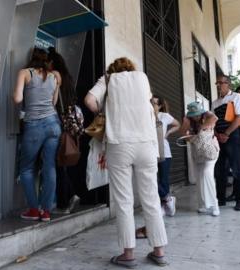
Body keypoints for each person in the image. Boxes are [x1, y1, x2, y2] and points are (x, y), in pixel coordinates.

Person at [84, 57, 168, 267]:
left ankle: (128, 254)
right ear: (131, 68)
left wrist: (103, 111)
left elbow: (89, 101)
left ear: (113, 69)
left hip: (119, 143)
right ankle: (159, 251)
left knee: (123, 200)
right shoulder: (142, 78)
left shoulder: (108, 79)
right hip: (146, 144)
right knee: (151, 198)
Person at [13, 48, 62, 222]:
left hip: (34, 125)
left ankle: (34, 210)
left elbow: (18, 99)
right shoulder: (54, 76)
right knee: (49, 167)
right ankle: (46, 211)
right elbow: (54, 102)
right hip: (53, 124)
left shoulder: (25, 73)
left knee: (26, 168)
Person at [47, 47, 82, 215]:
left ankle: (65, 199)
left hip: (58, 121)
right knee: (62, 162)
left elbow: (52, 100)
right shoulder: (68, 77)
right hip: (69, 123)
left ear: (52, 63)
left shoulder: (54, 76)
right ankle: (68, 196)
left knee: (58, 163)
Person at [179, 103, 220, 216]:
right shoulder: (189, 121)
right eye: (193, 115)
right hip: (197, 153)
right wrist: (186, 123)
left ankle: (214, 205)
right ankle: (203, 205)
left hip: (210, 152)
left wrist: (199, 131)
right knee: (199, 178)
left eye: (197, 114)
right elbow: (182, 135)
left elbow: (214, 118)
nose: (196, 117)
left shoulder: (208, 116)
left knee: (207, 174)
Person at [212, 75, 240, 211]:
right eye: (217, 83)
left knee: (236, 169)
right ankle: (221, 199)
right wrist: (216, 134)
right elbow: (213, 121)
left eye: (222, 83)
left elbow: (239, 118)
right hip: (219, 138)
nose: (219, 85)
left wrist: (226, 133)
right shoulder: (215, 103)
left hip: (232, 137)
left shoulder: (236, 97)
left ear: (228, 84)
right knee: (220, 170)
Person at [151, 95, 180, 216]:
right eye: (150, 103)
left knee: (163, 180)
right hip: (150, 151)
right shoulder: (146, 116)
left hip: (164, 152)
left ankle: (165, 206)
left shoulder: (165, 116)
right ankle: (168, 200)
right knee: (151, 179)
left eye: (154, 103)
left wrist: (168, 132)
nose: (152, 105)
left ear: (160, 105)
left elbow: (177, 124)